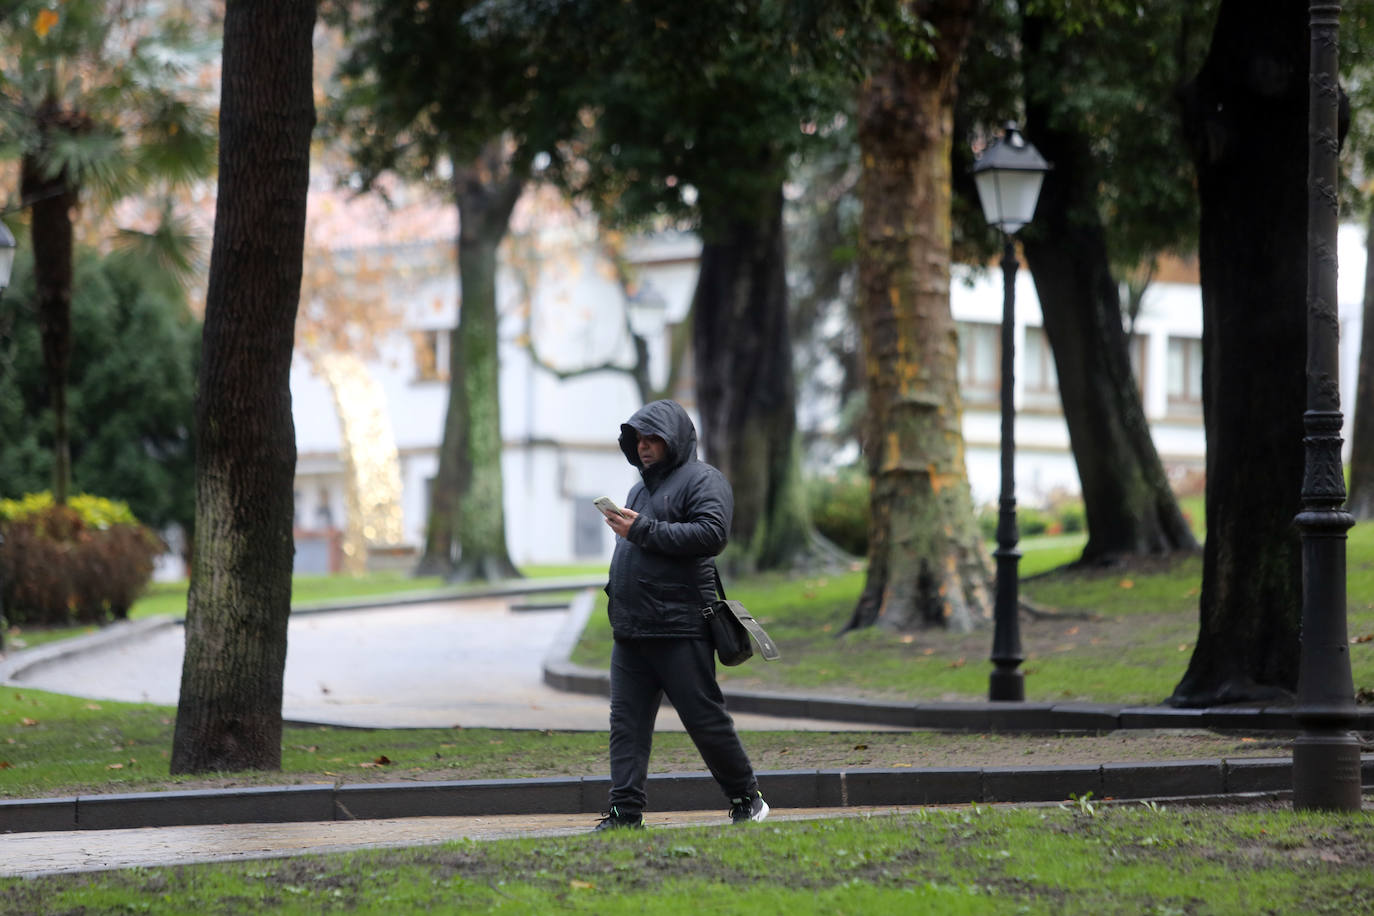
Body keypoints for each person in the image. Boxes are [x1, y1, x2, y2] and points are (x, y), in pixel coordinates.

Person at [595, 398, 768, 830]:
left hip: (680, 626)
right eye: (638, 439)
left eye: (653, 439)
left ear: (674, 440)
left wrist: (641, 529)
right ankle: (625, 812)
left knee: (704, 719)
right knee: (626, 725)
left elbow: (711, 534)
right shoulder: (638, 490)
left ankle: (748, 799)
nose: (644, 447)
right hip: (631, 629)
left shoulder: (704, 480)